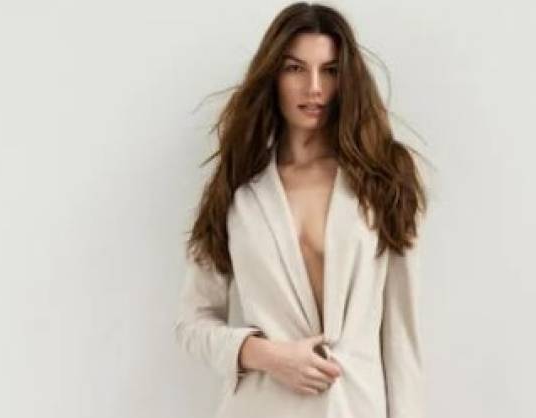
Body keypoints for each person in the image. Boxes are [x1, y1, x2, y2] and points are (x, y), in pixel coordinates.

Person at [174, 2, 429, 417]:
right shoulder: (238, 189)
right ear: (273, 76)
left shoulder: (383, 178)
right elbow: (193, 322)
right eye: (295, 68)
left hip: (354, 407)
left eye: (330, 70)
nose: (314, 87)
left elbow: (402, 335)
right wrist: (265, 354)